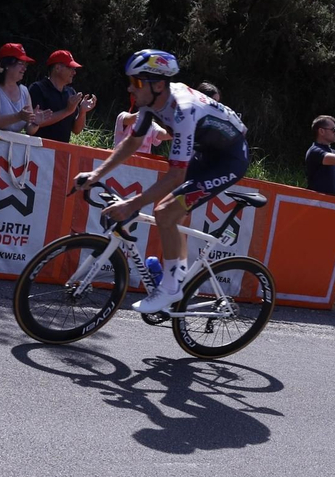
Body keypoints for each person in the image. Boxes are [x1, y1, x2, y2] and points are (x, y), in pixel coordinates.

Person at [72, 49, 249, 313]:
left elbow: (176, 174)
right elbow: (132, 141)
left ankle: (171, 287)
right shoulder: (150, 102)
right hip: (206, 151)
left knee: (165, 211)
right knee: (170, 214)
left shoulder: (183, 111)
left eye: (137, 82)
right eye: (131, 80)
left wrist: (132, 205)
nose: (131, 88)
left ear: (158, 84)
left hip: (230, 160)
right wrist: (97, 174)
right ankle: (177, 279)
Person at [0, 43, 50, 134]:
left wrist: (35, 123)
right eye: (21, 63)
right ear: (7, 65)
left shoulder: (24, 91)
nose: (24, 68)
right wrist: (18, 116)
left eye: (26, 65)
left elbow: (29, 130)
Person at [28, 50, 97, 144]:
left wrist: (82, 112)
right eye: (70, 68)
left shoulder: (71, 92)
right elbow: (37, 122)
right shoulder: (38, 89)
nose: (74, 72)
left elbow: (76, 130)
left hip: (61, 154)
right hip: (39, 151)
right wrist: (67, 111)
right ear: (57, 68)